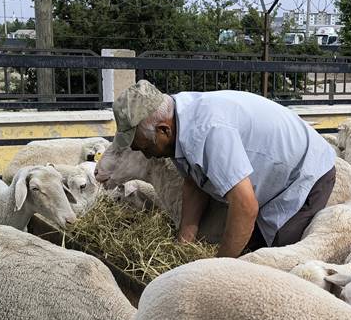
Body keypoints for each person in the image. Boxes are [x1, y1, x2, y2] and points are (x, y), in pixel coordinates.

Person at [110, 80, 336, 257]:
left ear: (163, 131)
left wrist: (218, 271)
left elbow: (246, 206)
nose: (144, 153)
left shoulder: (208, 132)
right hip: (269, 173)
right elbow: (194, 180)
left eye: (144, 146)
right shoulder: (177, 116)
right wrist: (184, 242)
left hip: (303, 174)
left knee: (271, 257)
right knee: (243, 242)